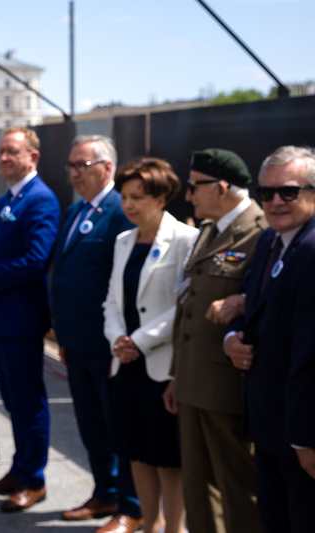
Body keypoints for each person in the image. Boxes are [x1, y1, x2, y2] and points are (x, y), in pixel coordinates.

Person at [163, 149, 265, 533]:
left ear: (221, 188)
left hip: (227, 384)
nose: (188, 196)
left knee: (238, 488)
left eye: (194, 186)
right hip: (192, 381)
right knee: (198, 486)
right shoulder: (209, 229)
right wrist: (176, 377)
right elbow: (187, 305)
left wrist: (241, 302)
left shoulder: (261, 230)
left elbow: (271, 297)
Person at [102, 158, 198, 533]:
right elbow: (111, 301)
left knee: (167, 456)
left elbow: (185, 307)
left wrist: (138, 341)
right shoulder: (123, 241)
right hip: (125, 363)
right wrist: (117, 341)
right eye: (125, 196)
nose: (128, 204)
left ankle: (175, 528)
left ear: (161, 198)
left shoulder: (186, 240)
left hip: (163, 365)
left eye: (137, 197)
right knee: (135, 450)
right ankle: (150, 524)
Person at [225, 146, 315, 533]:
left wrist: (304, 439)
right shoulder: (269, 239)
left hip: (301, 436)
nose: (276, 201)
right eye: (267, 192)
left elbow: (310, 353)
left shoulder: (311, 250)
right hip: (268, 426)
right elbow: (250, 301)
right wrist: (231, 338)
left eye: (289, 191)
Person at [0, 127, 60, 512]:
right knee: (12, 402)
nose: (3, 158)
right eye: (1, 152)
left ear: (32, 157)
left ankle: (33, 480)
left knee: (27, 403)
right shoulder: (12, 196)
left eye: (12, 152)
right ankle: (20, 469)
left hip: (20, 319)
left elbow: (37, 260)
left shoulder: (40, 199)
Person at [51, 135, 140, 527]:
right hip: (75, 340)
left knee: (119, 426)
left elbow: (123, 282)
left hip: (107, 344)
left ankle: (131, 505)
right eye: (70, 166)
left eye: (80, 165)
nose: (73, 173)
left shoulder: (122, 210)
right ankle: (104, 493)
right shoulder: (74, 211)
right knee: (89, 425)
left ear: (106, 168)